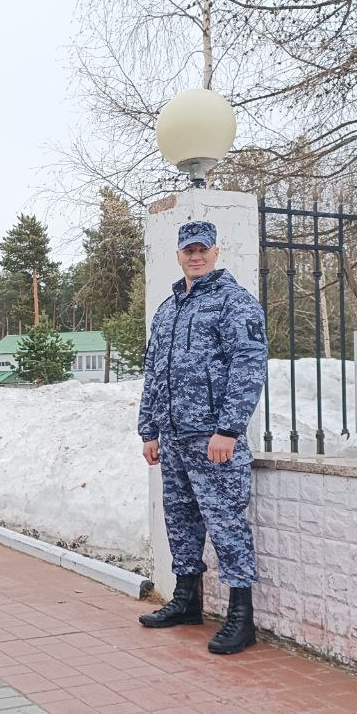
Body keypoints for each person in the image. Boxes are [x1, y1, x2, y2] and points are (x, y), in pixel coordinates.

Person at [137, 220, 268, 655]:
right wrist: (149, 430)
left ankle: (240, 618)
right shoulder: (168, 309)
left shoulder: (235, 303)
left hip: (213, 442)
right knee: (180, 522)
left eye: (202, 249)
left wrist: (228, 429)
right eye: (188, 250)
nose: (195, 256)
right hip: (173, 440)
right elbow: (153, 373)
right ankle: (187, 600)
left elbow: (248, 369)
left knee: (226, 525)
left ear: (216, 252)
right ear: (178, 255)